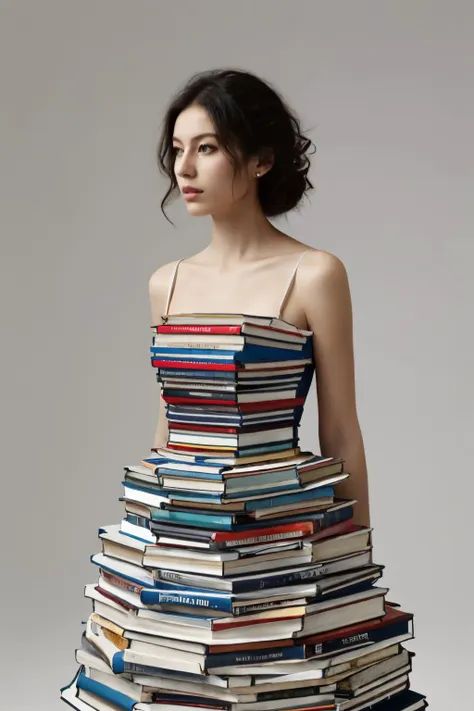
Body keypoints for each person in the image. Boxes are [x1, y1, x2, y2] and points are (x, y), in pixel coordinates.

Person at [148, 68, 370, 527]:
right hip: (185, 535)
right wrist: (147, 538)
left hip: (274, 536)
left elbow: (340, 431)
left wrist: (355, 564)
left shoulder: (313, 275)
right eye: (177, 149)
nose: (183, 167)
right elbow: (170, 427)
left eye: (205, 148)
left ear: (261, 161)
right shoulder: (165, 283)